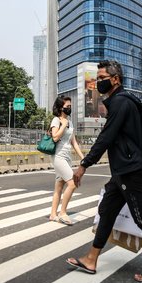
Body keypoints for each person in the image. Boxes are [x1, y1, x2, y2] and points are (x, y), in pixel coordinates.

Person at [68, 60, 142, 283]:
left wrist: (84, 165)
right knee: (107, 210)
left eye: (102, 78)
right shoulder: (123, 100)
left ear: (116, 79)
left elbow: (106, 137)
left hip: (129, 171)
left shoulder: (121, 103)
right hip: (123, 171)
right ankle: (91, 258)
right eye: (97, 78)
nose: (98, 82)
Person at [48, 96, 84, 225]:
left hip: (67, 157)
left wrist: (83, 158)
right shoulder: (56, 120)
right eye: (67, 106)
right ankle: (63, 212)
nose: (69, 108)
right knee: (72, 184)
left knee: (59, 187)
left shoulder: (70, 121)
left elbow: (73, 142)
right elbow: (55, 137)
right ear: (60, 107)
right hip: (58, 156)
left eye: (70, 106)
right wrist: (63, 125)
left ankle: (53, 214)